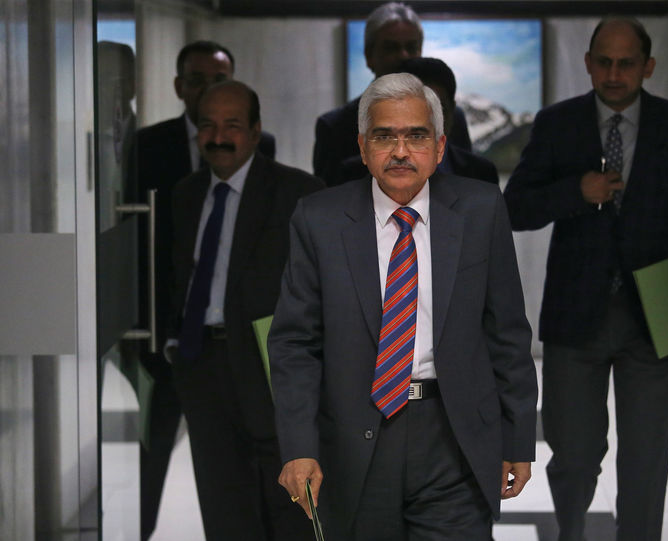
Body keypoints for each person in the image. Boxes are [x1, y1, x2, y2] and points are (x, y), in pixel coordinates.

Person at [269, 73, 538, 540]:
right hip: (356, 437)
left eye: (416, 136)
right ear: (362, 145)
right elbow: (294, 343)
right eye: (384, 136)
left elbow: (507, 331)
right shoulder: (319, 219)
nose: (400, 151)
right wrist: (298, 447)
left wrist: (517, 438)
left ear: (438, 147)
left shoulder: (480, 209)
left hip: (452, 433)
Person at [503, 17, 668, 541]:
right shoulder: (558, 124)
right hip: (574, 318)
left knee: (647, 461)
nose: (614, 74)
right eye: (604, 61)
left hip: (657, 316)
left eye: (627, 63)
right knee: (574, 456)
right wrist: (575, 193)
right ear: (588, 63)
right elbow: (514, 208)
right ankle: (571, 533)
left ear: (648, 66)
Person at [166, 80, 322, 540]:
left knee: (291, 506)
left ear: (255, 132)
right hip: (203, 367)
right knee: (223, 504)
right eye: (208, 125)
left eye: (232, 125)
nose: (219, 136)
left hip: (274, 368)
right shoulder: (184, 194)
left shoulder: (299, 193)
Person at [135, 40, 277, 539]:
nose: (218, 136)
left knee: (264, 484)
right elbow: (156, 255)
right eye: (198, 81)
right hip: (180, 347)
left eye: (232, 124)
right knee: (193, 476)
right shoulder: (167, 171)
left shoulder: (282, 174)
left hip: (249, 353)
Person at [312, 2, 472, 187]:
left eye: (411, 48)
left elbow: (465, 178)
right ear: (369, 56)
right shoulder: (336, 126)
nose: (404, 56)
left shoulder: (450, 115)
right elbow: (328, 201)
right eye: (391, 48)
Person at [338, 57, 499, 185]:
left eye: (439, 109)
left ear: (452, 111)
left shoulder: (481, 173)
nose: (425, 123)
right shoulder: (351, 174)